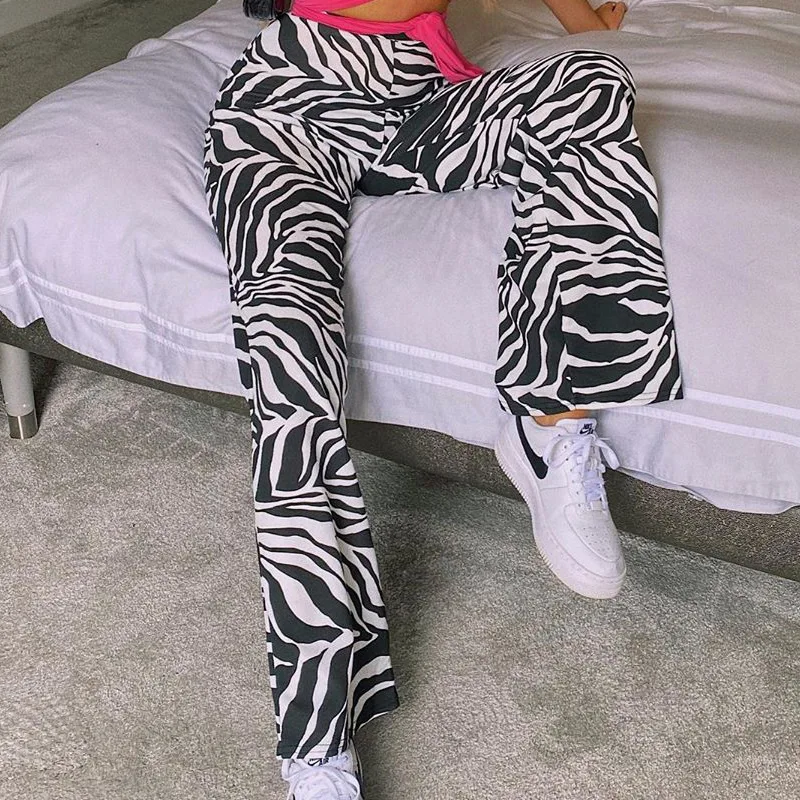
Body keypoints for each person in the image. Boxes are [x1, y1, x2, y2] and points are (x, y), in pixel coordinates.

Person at [202, 0, 683, 795]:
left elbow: (591, 39)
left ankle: (549, 418)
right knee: (290, 361)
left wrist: (590, 19)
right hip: (287, 108)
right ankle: (318, 749)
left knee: (595, 84)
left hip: (412, 99)